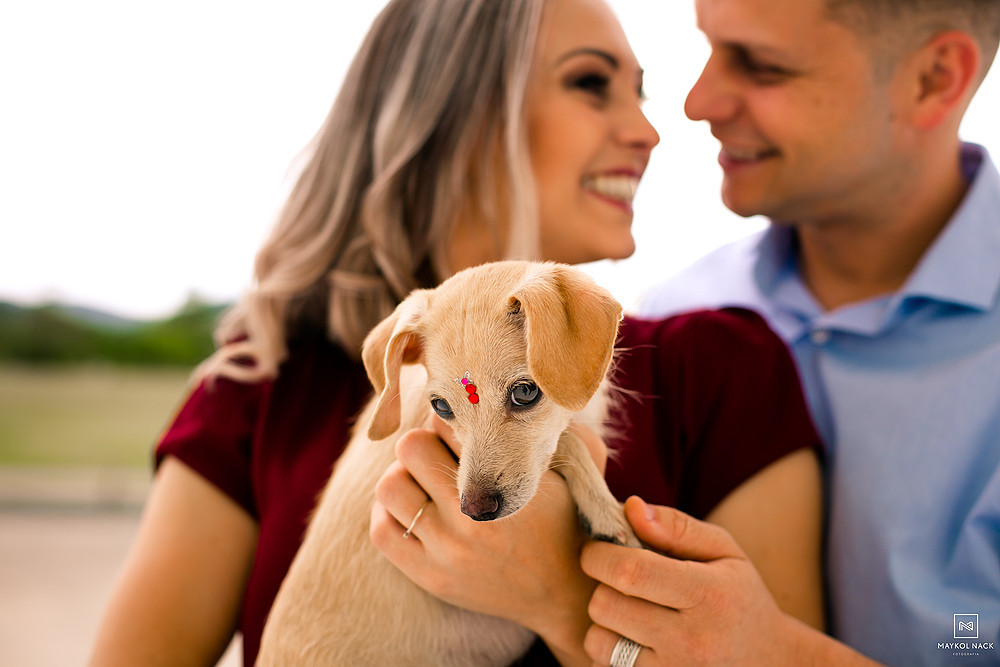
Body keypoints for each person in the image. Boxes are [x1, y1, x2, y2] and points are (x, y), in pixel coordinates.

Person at [89, 0, 823, 665]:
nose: (648, 130)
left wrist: (562, 603)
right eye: (591, 84)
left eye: (640, 91)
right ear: (453, 115)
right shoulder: (255, 387)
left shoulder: (728, 367)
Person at [611, 0, 1000, 664]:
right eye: (707, 46)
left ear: (934, 78)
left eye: (762, 66)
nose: (697, 103)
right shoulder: (675, 323)